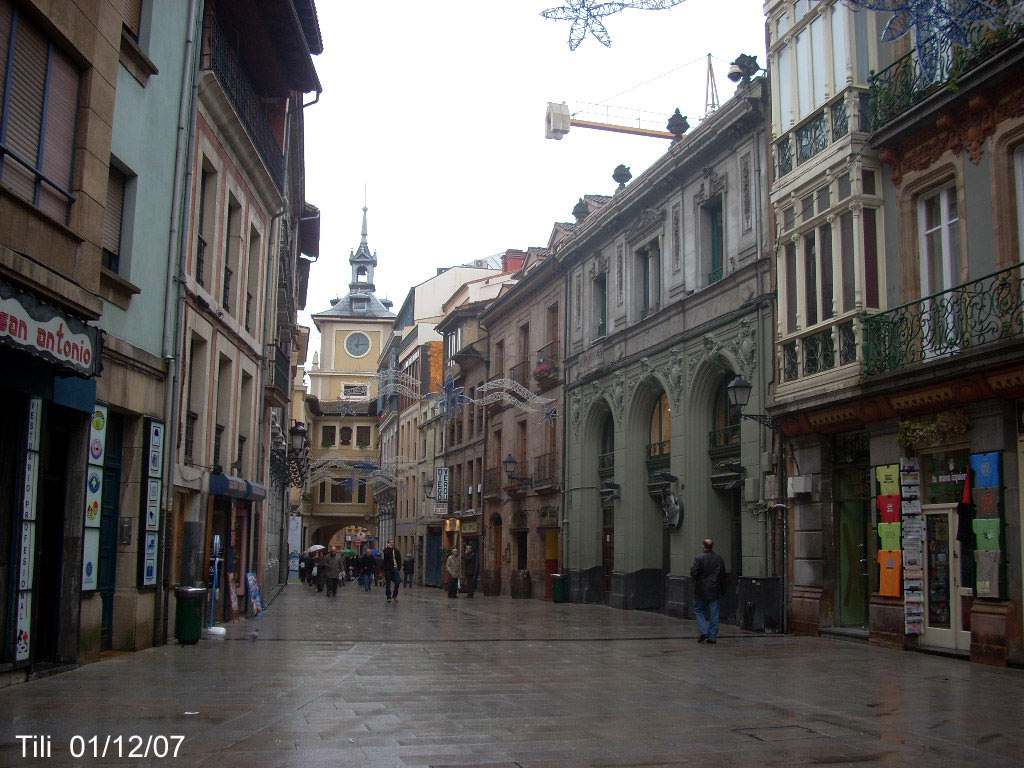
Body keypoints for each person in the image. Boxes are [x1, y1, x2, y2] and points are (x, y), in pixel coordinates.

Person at [690, 538, 726, 644]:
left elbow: (694, 572)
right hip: (714, 589)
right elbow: (722, 575)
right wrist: (723, 589)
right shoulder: (719, 559)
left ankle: (704, 630)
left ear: (703, 546)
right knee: (714, 613)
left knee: (699, 610)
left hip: (701, 589)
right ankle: (712, 637)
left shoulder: (699, 558)